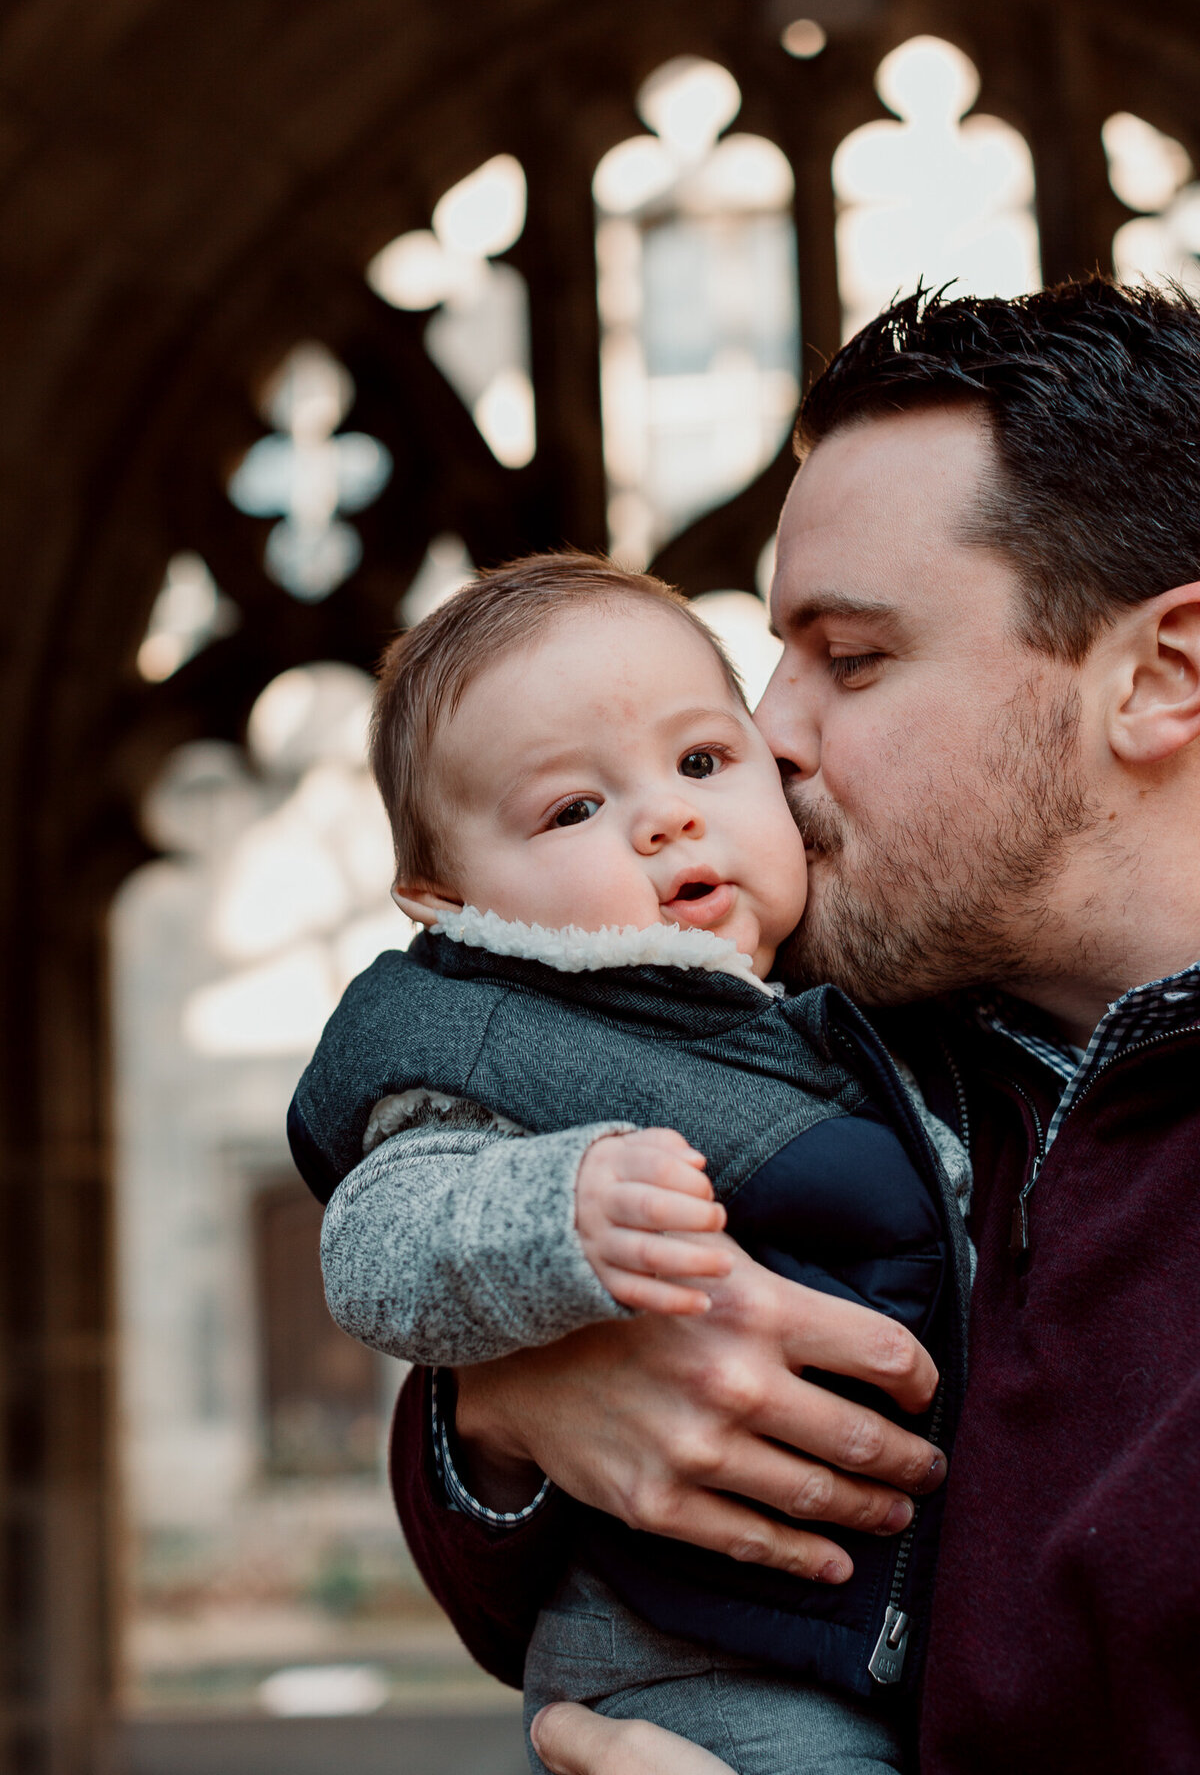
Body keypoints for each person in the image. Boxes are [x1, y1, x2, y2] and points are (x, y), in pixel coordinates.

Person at [384, 279, 1200, 1775]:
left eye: (854, 657)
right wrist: (509, 1403)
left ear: (1158, 677)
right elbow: (511, 1568)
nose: (764, 735)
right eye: (772, 655)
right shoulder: (860, 1032)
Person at [290, 553, 975, 1773]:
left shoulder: (854, 1001)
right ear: (446, 901)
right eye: (572, 809)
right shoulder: (495, 1042)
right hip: (691, 1663)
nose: (665, 815)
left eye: (702, 762)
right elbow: (374, 1240)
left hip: (876, 1625)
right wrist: (563, 1211)